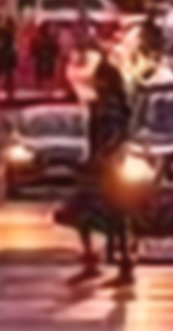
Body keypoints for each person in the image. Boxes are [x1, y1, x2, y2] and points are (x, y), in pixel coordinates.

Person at [68, 59, 134, 286]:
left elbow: (118, 135)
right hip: (98, 166)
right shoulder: (99, 106)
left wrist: (105, 154)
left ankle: (124, 264)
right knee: (83, 213)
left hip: (111, 168)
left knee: (115, 215)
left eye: (100, 79)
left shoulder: (114, 108)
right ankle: (92, 260)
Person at [0, 14, 17, 104]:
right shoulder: (5, 31)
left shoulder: (3, 31)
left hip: (3, 55)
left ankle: (4, 92)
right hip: (3, 55)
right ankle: (3, 92)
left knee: (0, 73)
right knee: (3, 73)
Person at [32, 22, 60, 91]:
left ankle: (46, 85)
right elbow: (34, 46)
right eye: (47, 28)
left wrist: (55, 53)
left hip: (47, 57)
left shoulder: (49, 37)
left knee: (48, 71)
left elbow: (55, 47)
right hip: (41, 57)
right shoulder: (38, 38)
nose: (48, 29)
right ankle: (41, 85)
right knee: (40, 71)